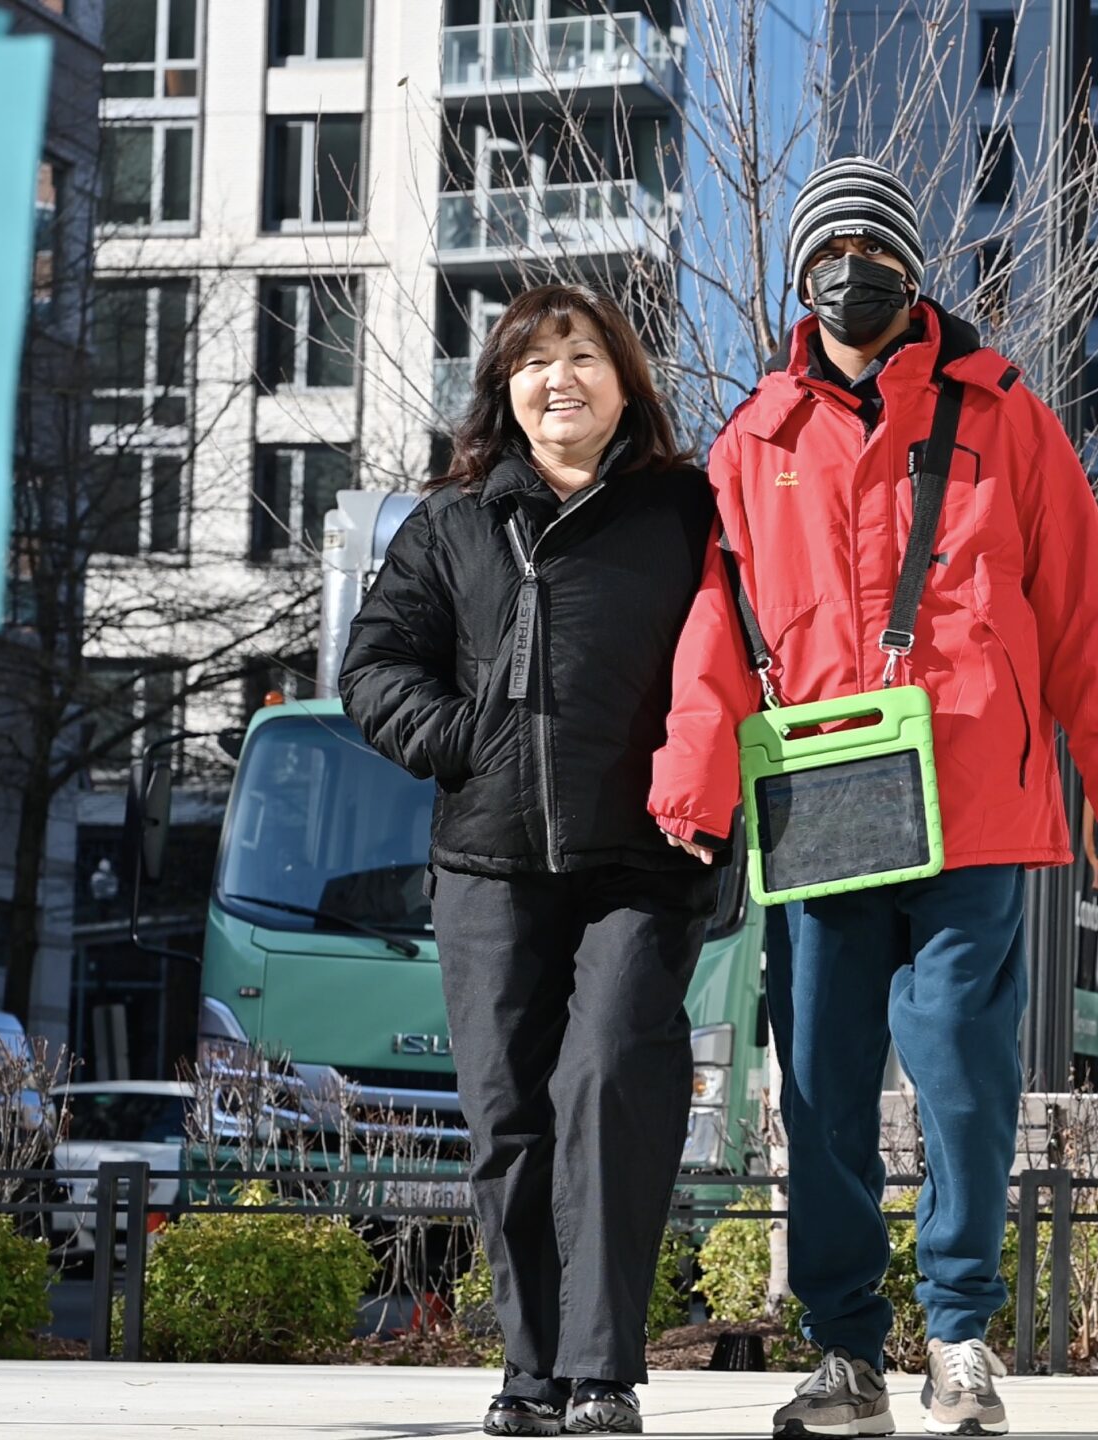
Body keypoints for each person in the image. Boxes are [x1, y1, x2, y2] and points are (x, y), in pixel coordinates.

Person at [649, 154, 1098, 1438]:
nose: (849, 273)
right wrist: (689, 794)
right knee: (820, 1083)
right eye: (825, 256)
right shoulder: (750, 440)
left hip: (977, 803)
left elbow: (1088, 614)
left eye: (870, 253)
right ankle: (843, 1355)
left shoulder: (1007, 418)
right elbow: (712, 635)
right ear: (799, 280)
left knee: (961, 1073)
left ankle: (955, 1335)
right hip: (823, 799)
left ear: (911, 269)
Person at [339, 284, 710, 1437]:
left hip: (643, 864)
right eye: (537, 359)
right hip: (489, 864)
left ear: (624, 382)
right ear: (505, 389)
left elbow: (750, 654)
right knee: (506, 1117)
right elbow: (374, 667)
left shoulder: (684, 512)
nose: (563, 378)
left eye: (586, 355)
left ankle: (603, 1374)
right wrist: (462, 739)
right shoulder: (450, 524)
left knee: (609, 1083)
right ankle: (532, 1373)